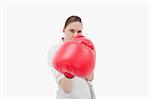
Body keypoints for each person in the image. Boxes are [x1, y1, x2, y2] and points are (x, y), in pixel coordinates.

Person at [48, 15, 96, 99]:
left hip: (87, 95)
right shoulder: (54, 50)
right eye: (72, 31)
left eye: (79, 31)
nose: (75, 35)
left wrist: (91, 53)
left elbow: (90, 78)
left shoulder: (84, 47)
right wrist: (68, 72)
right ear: (64, 30)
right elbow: (67, 89)